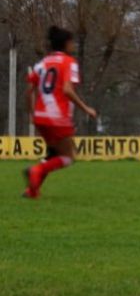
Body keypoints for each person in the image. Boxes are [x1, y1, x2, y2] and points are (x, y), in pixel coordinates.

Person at [22, 26, 97, 199]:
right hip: (58, 117)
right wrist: (86, 108)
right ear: (66, 43)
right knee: (68, 158)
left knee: (53, 154)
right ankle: (36, 170)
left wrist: (32, 114)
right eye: (72, 42)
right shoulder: (69, 62)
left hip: (40, 116)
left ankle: (32, 191)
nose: (73, 45)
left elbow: (28, 91)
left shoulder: (43, 63)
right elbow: (67, 90)